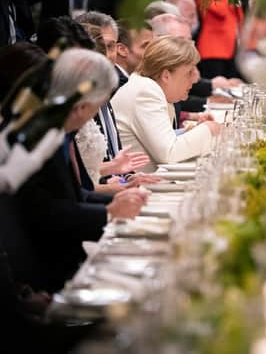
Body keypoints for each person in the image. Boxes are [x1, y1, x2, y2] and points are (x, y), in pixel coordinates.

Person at [14, 49, 147, 292]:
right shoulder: (36, 137)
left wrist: (118, 198)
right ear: (81, 106)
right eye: (96, 107)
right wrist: (108, 212)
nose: (94, 115)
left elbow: (74, 194)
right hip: (45, 273)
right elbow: (45, 212)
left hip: (65, 257)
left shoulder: (56, 130)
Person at [111, 36, 221, 172]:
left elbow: (159, 141)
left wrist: (190, 132)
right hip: (138, 187)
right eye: (189, 73)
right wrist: (208, 129)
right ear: (166, 76)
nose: (194, 80)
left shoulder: (146, 86)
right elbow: (169, 154)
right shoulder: (146, 92)